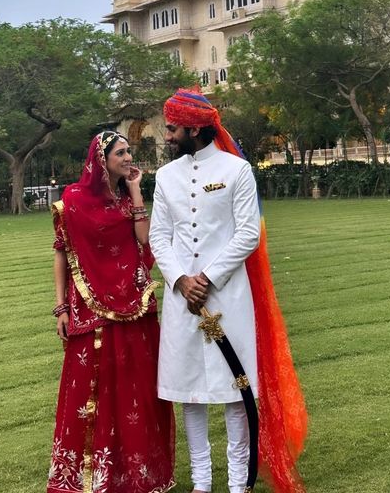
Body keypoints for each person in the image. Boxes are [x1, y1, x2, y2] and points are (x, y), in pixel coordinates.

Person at [150, 88, 308, 493]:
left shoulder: (237, 171)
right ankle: (201, 482)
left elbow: (247, 234)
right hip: (181, 298)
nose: (167, 136)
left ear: (194, 127)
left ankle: (239, 482)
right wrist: (181, 279)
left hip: (227, 296)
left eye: (172, 128)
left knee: (236, 391)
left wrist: (208, 277)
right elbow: (158, 236)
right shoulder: (166, 177)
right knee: (189, 392)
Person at [47, 131, 175, 493]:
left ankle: (136, 476)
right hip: (90, 313)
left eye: (129, 151)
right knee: (92, 395)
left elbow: (145, 240)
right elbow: (61, 252)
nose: (128, 157)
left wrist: (135, 192)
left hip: (135, 307)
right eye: (121, 152)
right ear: (100, 159)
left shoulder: (126, 199)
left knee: (137, 393)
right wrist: (60, 306)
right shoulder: (71, 200)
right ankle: (91, 478)